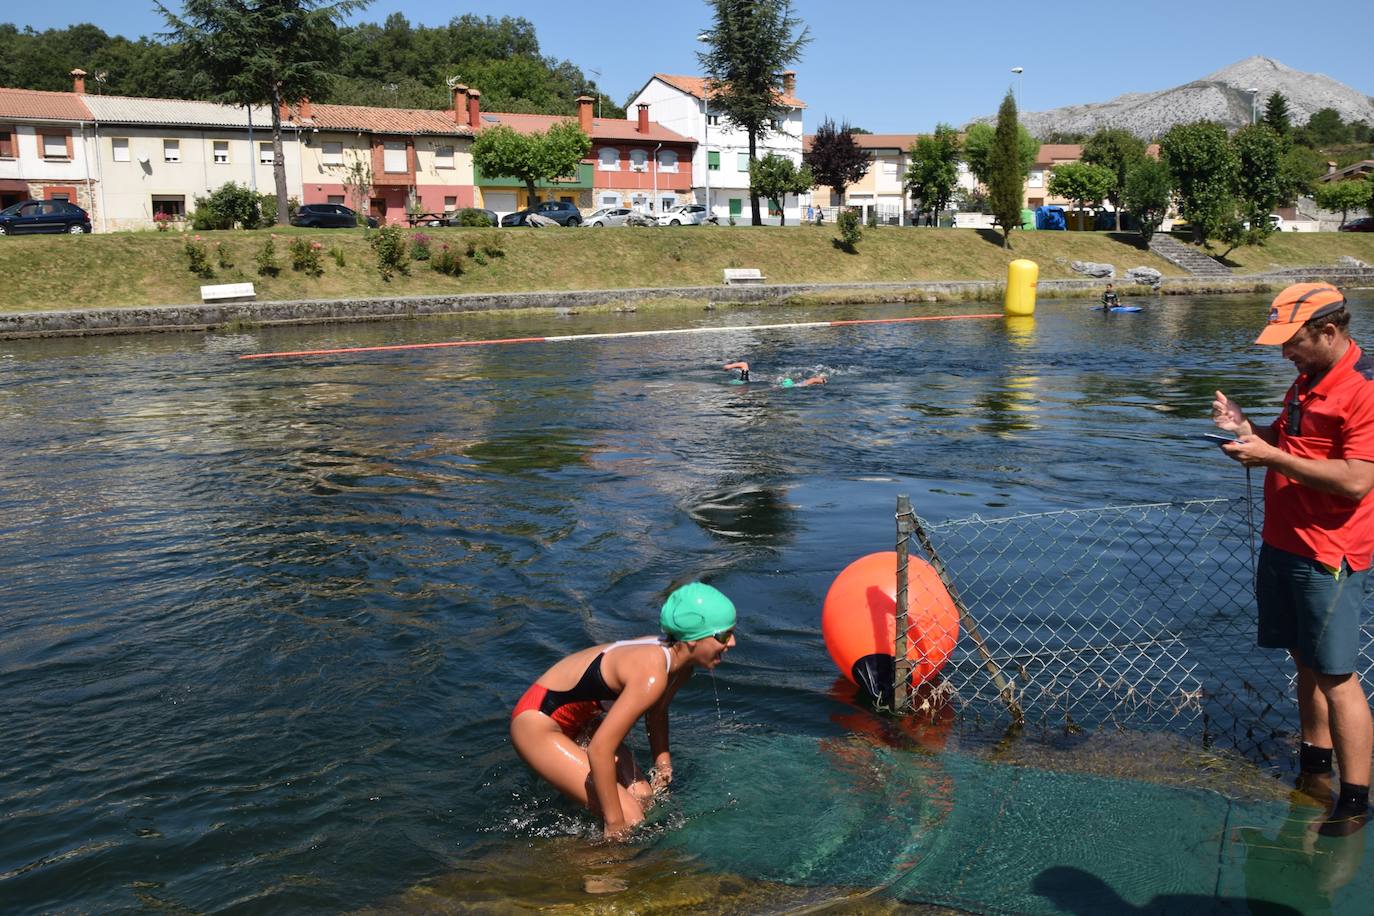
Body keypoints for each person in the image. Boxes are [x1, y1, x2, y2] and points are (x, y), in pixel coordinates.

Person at [1212, 282, 1374, 836]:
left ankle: (1355, 799)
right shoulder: (1307, 381)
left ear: (1328, 331)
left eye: (1293, 342)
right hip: (1284, 541)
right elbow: (1286, 446)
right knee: (1305, 662)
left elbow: (1357, 480)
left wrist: (1269, 455)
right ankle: (1315, 766)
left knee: (1337, 675)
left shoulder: (1363, 388)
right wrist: (1246, 432)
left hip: (1330, 553)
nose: (1285, 353)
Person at [509, 583, 738, 840]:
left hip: (581, 724)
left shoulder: (681, 666)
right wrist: (614, 823)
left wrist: (663, 765)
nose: (732, 642)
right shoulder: (651, 673)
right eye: (723, 636)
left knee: (644, 797)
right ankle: (577, 861)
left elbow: (657, 713)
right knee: (629, 819)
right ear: (693, 638)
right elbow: (599, 749)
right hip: (535, 725)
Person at [723, 360, 826, 388]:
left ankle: (729, 366)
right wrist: (822, 380)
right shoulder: (796, 385)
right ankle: (729, 366)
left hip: (750, 382)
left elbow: (811, 380)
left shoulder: (743, 382)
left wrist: (822, 380)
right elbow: (811, 380)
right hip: (767, 380)